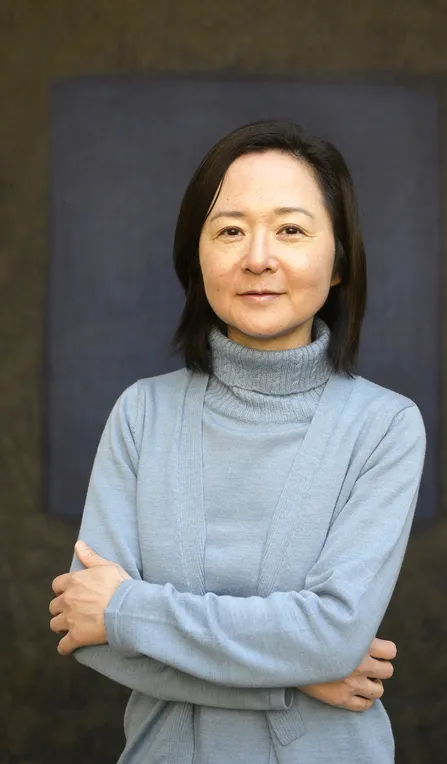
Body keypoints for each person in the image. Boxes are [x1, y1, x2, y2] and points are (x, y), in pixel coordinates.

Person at [49, 119, 426, 763]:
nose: (258, 257)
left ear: (338, 261)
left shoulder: (385, 427)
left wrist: (130, 610)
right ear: (197, 255)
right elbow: (89, 635)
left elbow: (334, 635)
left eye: (291, 229)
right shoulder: (142, 414)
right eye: (229, 229)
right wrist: (297, 673)